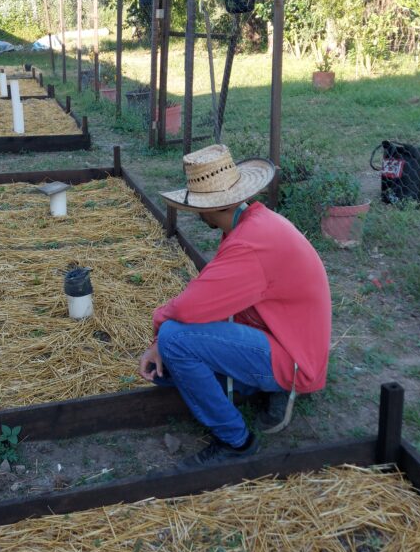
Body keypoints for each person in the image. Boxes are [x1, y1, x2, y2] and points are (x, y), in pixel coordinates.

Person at [138, 144, 331, 470]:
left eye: (198, 207)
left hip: (295, 358)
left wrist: (159, 331)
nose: (197, 214)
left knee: (174, 340)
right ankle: (263, 390)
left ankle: (235, 440)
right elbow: (210, 299)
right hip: (286, 339)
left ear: (211, 208)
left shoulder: (249, 242)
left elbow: (188, 308)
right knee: (169, 364)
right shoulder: (256, 223)